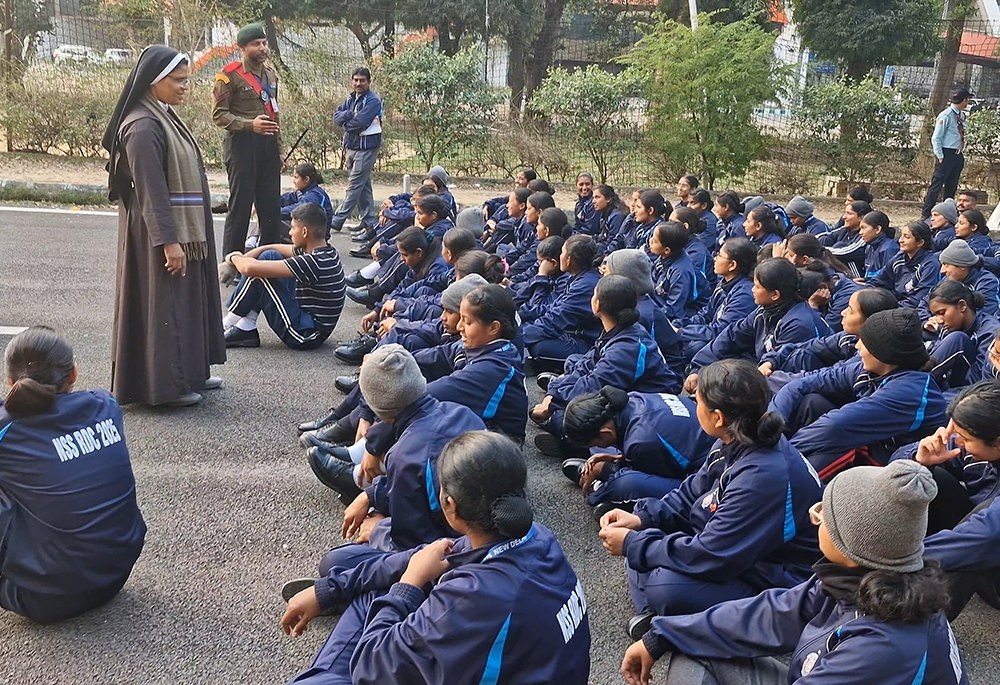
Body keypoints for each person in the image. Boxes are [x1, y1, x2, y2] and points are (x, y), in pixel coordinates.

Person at [281, 431, 591, 685]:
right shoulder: (536, 535)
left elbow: (372, 665)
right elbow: (424, 555)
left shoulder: (471, 596)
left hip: (478, 648)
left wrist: (409, 585)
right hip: (511, 659)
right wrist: (328, 590)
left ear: (450, 506)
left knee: (325, 675)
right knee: (368, 588)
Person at [623, 459, 967, 685]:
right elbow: (773, 613)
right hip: (815, 671)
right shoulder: (862, 578)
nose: (813, 516)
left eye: (822, 514)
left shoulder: (883, 648)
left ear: (849, 543)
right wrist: (662, 635)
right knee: (693, 647)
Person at [600, 359, 822, 627]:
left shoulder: (761, 476)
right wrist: (643, 520)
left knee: (665, 585)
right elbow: (692, 491)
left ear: (718, 417)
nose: (694, 406)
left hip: (781, 576)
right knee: (642, 530)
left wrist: (633, 545)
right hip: (744, 549)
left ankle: (658, 612)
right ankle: (661, 614)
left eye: (698, 402)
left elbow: (713, 556)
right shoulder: (738, 436)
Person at [103, 45, 226, 407]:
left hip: (181, 231)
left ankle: (189, 374)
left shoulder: (162, 114)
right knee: (167, 307)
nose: (185, 86)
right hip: (160, 236)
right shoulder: (142, 125)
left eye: (186, 79)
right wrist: (169, 243)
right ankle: (164, 389)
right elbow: (154, 193)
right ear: (154, 82)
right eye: (178, 80)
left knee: (185, 303)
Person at [0, 328, 147, 623]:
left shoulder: (6, 429)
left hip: (44, 597)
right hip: (116, 573)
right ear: (74, 373)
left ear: (9, 381)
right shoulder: (105, 406)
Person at [772, 308, 947, 480]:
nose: (857, 346)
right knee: (811, 402)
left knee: (820, 459)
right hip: (866, 439)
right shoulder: (870, 369)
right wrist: (768, 428)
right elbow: (800, 384)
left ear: (883, 354)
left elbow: (834, 427)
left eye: (864, 342)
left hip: (897, 465)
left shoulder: (909, 392)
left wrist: (776, 454)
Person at [531, 275, 683, 449]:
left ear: (598, 305)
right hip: (621, 389)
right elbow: (588, 364)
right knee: (574, 362)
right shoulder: (619, 329)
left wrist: (551, 402)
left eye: (594, 294)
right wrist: (555, 391)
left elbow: (592, 387)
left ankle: (581, 448)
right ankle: (560, 403)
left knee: (567, 418)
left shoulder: (626, 349)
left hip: (649, 409)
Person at [561, 387, 716, 518]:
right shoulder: (632, 399)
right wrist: (619, 457)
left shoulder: (640, 442)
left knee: (626, 483)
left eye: (596, 440)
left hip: (706, 478)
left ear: (605, 432)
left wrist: (606, 467)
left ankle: (599, 489)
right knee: (601, 450)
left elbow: (665, 474)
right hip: (692, 442)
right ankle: (601, 478)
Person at [685, 259, 831, 389]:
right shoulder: (765, 311)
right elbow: (731, 336)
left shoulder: (798, 324)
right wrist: (699, 369)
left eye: (757, 286)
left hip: (792, 386)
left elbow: (778, 375)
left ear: (775, 295)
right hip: (763, 370)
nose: (752, 290)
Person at [221, 203, 345, 349]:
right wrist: (236, 262)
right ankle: (245, 328)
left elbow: (248, 268)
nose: (290, 233)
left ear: (304, 232)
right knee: (270, 256)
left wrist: (232, 258)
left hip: (305, 335)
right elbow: (270, 248)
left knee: (258, 273)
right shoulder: (324, 253)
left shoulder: (313, 262)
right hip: (309, 322)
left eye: (293, 228)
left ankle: (225, 325)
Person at [212, 23, 283, 257]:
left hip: (267, 146)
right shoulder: (228, 76)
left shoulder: (271, 74)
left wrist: (278, 150)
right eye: (256, 44)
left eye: (264, 43)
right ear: (242, 47)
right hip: (242, 146)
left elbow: (275, 113)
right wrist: (250, 125)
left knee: (271, 207)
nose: (262, 48)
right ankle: (231, 261)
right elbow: (219, 115)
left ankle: (267, 260)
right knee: (241, 207)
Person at [759, 288, 898, 378]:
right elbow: (800, 346)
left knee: (812, 401)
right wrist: (769, 362)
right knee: (801, 356)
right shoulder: (847, 338)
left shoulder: (870, 358)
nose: (842, 313)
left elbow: (825, 377)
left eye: (850, 310)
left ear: (870, 321)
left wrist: (771, 378)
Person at [521, 234, 603, 364]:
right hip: (569, 331)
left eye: (563, 252)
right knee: (525, 326)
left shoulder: (585, 285)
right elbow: (552, 307)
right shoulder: (578, 277)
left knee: (539, 347)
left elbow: (555, 320)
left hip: (585, 341)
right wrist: (521, 316)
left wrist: (517, 337)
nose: (560, 256)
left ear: (569, 260)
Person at [602, 249, 686, 374]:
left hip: (663, 376)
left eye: (607, 272)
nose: (603, 276)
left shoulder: (640, 314)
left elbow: (633, 357)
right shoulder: (636, 300)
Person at [676, 238, 757, 361]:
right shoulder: (724, 283)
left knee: (695, 348)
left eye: (719, 255)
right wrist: (681, 324)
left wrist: (682, 332)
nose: (715, 258)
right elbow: (706, 313)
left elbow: (721, 331)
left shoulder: (744, 295)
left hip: (734, 353)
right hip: (715, 336)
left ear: (732, 265)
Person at [330, 67, 383, 240]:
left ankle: (337, 219)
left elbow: (359, 123)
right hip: (352, 147)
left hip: (366, 148)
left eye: (362, 80)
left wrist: (347, 122)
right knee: (363, 186)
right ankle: (369, 222)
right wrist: (349, 115)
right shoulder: (351, 98)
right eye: (356, 80)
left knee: (354, 185)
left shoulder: (373, 101)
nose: (358, 83)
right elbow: (337, 117)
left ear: (369, 81)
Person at [927, 280, 1000, 389]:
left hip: (971, 391)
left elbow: (978, 383)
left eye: (942, 313)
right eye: (935, 315)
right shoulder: (949, 325)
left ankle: (917, 385)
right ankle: (915, 383)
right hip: (946, 382)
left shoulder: (990, 332)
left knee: (958, 339)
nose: (939, 320)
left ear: (962, 306)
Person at [922, 88, 971, 220]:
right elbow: (936, 137)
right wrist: (940, 155)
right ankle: (926, 213)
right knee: (937, 185)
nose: (968, 103)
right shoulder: (946, 115)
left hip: (957, 153)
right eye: (967, 100)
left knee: (952, 185)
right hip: (946, 153)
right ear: (963, 100)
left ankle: (948, 213)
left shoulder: (961, 115)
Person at [867, 221, 941, 309]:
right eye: (901, 236)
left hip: (910, 310)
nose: (900, 240)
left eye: (907, 237)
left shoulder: (930, 264)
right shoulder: (899, 257)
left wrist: (891, 310)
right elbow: (879, 280)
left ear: (920, 242)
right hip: (894, 302)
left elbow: (918, 298)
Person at [649, 221, 710, 320]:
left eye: (655, 241)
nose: (650, 241)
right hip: (662, 302)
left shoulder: (681, 272)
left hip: (687, 314)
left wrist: (647, 313)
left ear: (667, 250)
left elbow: (673, 310)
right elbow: (653, 280)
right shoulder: (664, 258)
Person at [929, 239, 1000, 319]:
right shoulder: (947, 279)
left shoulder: (987, 282)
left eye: (946, 265)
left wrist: (942, 321)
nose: (942, 271)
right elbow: (925, 302)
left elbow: (985, 314)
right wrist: (927, 321)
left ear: (962, 266)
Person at [279, 162, 333, 237]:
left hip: (317, 237)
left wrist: (274, 212)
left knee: (273, 221)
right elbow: (286, 198)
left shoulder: (314, 195)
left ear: (306, 179)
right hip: (308, 230)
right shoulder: (302, 191)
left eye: (296, 177)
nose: (293, 181)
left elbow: (297, 209)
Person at [824, 200, 872, 278]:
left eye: (849, 213)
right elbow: (825, 235)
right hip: (842, 273)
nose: (844, 217)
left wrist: (820, 249)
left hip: (858, 278)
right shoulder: (845, 229)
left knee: (839, 247)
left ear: (861, 218)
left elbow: (848, 252)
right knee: (824, 240)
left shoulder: (865, 235)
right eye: (845, 213)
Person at [858, 211, 897, 282]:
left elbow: (888, 278)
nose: (860, 232)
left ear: (878, 229)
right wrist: (864, 280)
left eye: (864, 228)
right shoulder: (869, 246)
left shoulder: (889, 249)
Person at [594, 184, 628, 253]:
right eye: (593, 198)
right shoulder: (605, 213)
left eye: (597, 197)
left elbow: (613, 243)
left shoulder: (617, 216)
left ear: (608, 199)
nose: (593, 201)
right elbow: (602, 237)